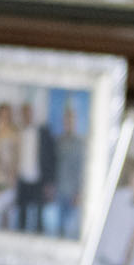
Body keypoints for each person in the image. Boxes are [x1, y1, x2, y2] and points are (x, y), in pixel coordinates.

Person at [15, 101, 55, 232]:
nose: (27, 116)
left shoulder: (44, 132)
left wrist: (49, 182)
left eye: (29, 113)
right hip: (22, 179)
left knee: (39, 218)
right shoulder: (17, 131)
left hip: (39, 179)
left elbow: (51, 158)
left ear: (33, 115)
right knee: (21, 215)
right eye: (24, 114)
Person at [52, 101, 87, 239]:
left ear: (75, 122)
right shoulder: (58, 141)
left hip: (73, 194)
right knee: (58, 229)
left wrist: (79, 193)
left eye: (71, 120)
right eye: (66, 120)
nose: (68, 123)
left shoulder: (80, 144)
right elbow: (54, 166)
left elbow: (82, 170)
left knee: (71, 231)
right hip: (58, 191)